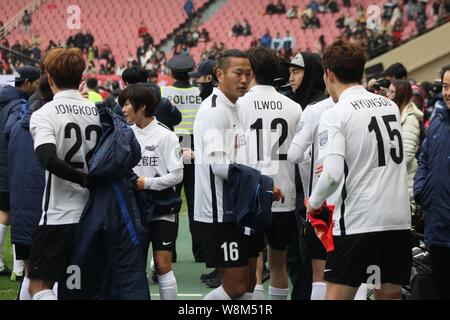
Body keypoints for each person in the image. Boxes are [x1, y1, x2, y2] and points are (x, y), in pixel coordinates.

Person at [305, 39, 411, 300]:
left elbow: (331, 175)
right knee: (388, 295)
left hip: (358, 222)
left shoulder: (336, 112)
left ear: (328, 74)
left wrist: (313, 203)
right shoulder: (388, 104)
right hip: (397, 222)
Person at [193, 49, 283, 300]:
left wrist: (262, 187)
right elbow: (219, 165)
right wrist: (260, 185)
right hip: (219, 212)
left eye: (248, 74)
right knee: (235, 286)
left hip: (240, 207)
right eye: (238, 73)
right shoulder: (214, 111)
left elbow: (239, 158)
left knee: (250, 283)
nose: (244, 80)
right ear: (219, 74)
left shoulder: (237, 107)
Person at [28, 48, 101, 300]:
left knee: (38, 285)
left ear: (49, 77)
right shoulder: (97, 111)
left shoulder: (43, 114)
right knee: (80, 285)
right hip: (93, 212)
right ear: (81, 75)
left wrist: (82, 178)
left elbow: (48, 159)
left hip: (59, 214)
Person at [239, 47, 302, 300]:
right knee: (278, 264)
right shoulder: (294, 107)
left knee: (250, 265)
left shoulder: (239, 104)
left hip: (249, 193)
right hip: (283, 191)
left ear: (250, 71)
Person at [120, 84, 183, 300]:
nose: (123, 109)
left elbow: (177, 176)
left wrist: (146, 183)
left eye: (127, 104)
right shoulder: (124, 134)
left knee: (162, 265)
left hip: (163, 208)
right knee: (133, 265)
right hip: (134, 207)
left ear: (142, 106)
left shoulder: (166, 136)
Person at [284, 52, 327, 300]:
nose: (291, 77)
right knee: (298, 265)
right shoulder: (298, 104)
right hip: (300, 195)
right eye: (290, 72)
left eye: (297, 71)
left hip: (313, 200)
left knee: (308, 268)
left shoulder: (318, 106)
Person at [8, 75, 53, 299]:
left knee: (29, 274)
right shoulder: (49, 129)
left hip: (21, 211)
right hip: (44, 212)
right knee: (46, 278)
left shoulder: (16, 127)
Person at [0, 66, 40, 279]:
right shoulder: (19, 105)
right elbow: (12, 131)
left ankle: (17, 268)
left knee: (11, 213)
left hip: (4, 163)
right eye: (35, 83)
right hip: (11, 165)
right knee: (11, 214)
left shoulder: (5, 99)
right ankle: (17, 268)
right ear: (26, 82)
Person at [414, 64, 450, 300]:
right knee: (441, 288)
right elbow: (423, 158)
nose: (448, 92)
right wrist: (421, 190)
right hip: (438, 226)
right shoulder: (437, 122)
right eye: (446, 86)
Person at [162, 55, 202, 262]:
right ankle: (200, 251)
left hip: (173, 146)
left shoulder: (165, 93)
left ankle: (170, 251)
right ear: (191, 71)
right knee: (196, 201)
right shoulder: (199, 93)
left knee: (171, 200)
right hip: (195, 147)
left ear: (171, 72)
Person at [386, 80, 423, 205]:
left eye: (392, 92)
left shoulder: (410, 119)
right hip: (397, 179)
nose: (387, 95)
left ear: (401, 94)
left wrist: (386, 166)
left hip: (408, 180)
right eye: (388, 91)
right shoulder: (394, 115)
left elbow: (406, 154)